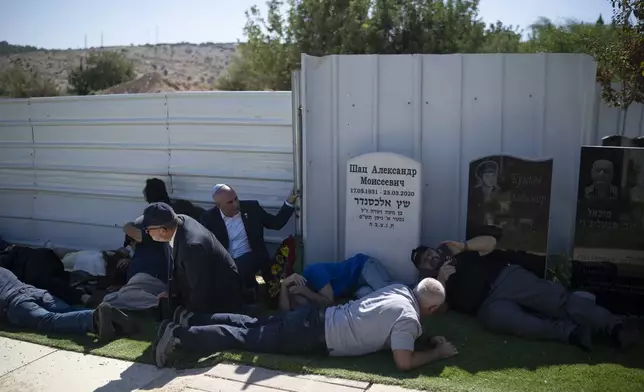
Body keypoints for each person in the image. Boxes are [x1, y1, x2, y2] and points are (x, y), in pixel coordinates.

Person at [152, 278, 458, 370]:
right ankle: (179, 335)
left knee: (252, 324)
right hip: (314, 336)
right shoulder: (408, 318)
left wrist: (424, 338)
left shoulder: (398, 289)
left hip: (315, 317)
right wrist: (437, 354)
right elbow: (403, 362)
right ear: (430, 308)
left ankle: (189, 318)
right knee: (243, 338)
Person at [411, 236, 641, 351]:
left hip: (506, 278)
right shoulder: (431, 284)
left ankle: (614, 326)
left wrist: (465, 246)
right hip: (486, 307)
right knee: (520, 323)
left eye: (429, 252)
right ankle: (573, 334)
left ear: (435, 249)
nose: (430, 258)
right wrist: (440, 280)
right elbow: (441, 310)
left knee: (557, 301)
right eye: (425, 260)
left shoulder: (458, 252)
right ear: (424, 268)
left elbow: (491, 242)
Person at [200, 184, 299, 300]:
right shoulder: (209, 218)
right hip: (226, 259)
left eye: (236, 199)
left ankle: (250, 292)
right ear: (218, 205)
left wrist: (289, 203)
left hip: (252, 256)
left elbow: (276, 223)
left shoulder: (252, 208)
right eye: (230, 202)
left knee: (241, 266)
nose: (236, 204)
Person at [141, 202, 244, 314]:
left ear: (162, 230)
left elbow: (200, 290)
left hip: (220, 296)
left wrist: (190, 317)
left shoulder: (192, 246)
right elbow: (179, 267)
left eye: (147, 230)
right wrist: (172, 292)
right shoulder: (177, 222)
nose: (147, 233)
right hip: (203, 285)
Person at [0, 267, 135, 341]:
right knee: (69, 310)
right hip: (37, 292)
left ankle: (94, 319)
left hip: (15, 303)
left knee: (49, 320)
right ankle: (112, 320)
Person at [278, 253, 395, 311]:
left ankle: (411, 289)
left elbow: (329, 302)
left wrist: (306, 292)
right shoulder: (311, 296)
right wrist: (283, 285)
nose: (298, 307)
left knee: (388, 293)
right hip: (356, 287)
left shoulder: (313, 272)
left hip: (362, 268)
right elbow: (286, 312)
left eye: (296, 302)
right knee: (379, 301)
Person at [102, 217, 169, 310]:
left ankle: (163, 304)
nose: (131, 247)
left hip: (151, 280)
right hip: (140, 286)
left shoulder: (153, 239)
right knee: (112, 299)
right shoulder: (139, 255)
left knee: (109, 301)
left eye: (131, 243)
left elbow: (129, 228)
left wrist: (128, 226)